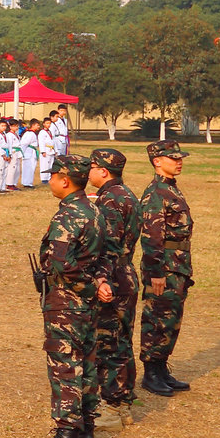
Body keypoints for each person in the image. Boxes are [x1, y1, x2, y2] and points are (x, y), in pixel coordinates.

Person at [26, 155, 115, 438]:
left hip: (66, 302)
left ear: (64, 180)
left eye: (52, 175)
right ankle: (86, 429)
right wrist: (100, 283)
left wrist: (91, 285)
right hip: (87, 304)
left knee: (65, 366)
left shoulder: (67, 216)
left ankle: (66, 435)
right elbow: (105, 255)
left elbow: (62, 264)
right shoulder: (95, 210)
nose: (50, 180)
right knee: (87, 364)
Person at [138, 140, 194, 397]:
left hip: (177, 264)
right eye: (173, 158)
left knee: (171, 318)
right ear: (157, 161)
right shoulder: (155, 193)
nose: (179, 161)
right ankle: (151, 373)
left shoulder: (171, 189)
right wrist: (155, 273)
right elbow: (151, 236)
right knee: (157, 318)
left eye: (180, 157)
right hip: (164, 266)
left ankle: (161, 368)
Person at [87, 148, 140, 416]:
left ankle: (113, 404)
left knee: (109, 341)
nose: (88, 172)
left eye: (92, 167)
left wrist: (100, 279)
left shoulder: (110, 201)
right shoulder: (124, 193)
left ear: (103, 171)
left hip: (113, 276)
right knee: (121, 338)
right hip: (125, 271)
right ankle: (123, 398)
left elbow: (107, 245)